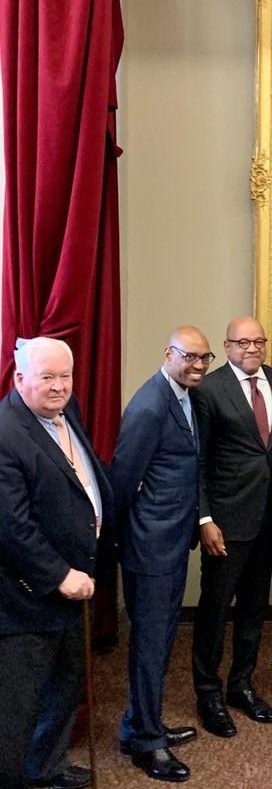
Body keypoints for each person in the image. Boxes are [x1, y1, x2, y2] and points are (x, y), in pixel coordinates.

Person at [0, 338, 110, 789]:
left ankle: (45, 771)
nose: (60, 386)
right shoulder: (6, 433)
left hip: (75, 586)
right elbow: (10, 527)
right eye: (48, 376)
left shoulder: (65, 410)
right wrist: (60, 576)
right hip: (28, 599)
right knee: (17, 706)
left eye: (65, 375)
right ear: (19, 377)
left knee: (64, 688)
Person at [112, 326, 213, 783]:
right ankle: (148, 744)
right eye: (189, 356)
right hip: (150, 548)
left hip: (172, 543)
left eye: (204, 357)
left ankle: (139, 724)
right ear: (168, 353)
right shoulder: (150, 404)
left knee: (161, 641)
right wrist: (124, 541)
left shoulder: (186, 396)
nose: (197, 365)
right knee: (151, 647)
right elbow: (122, 482)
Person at [191, 317, 272, 737]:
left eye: (258, 341)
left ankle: (241, 685)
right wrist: (204, 517)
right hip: (226, 520)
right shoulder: (209, 390)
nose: (251, 348)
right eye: (242, 342)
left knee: (254, 606)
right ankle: (208, 692)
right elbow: (196, 460)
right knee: (215, 609)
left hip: (270, 517)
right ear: (227, 346)